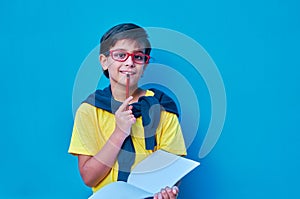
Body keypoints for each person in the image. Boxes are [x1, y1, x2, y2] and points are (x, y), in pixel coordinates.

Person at [68, 23, 187, 199]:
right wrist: (120, 131)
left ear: (145, 65)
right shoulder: (89, 111)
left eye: (138, 57)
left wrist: (169, 190)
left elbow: (172, 170)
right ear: (104, 61)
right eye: (121, 55)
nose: (130, 62)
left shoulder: (161, 108)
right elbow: (89, 177)